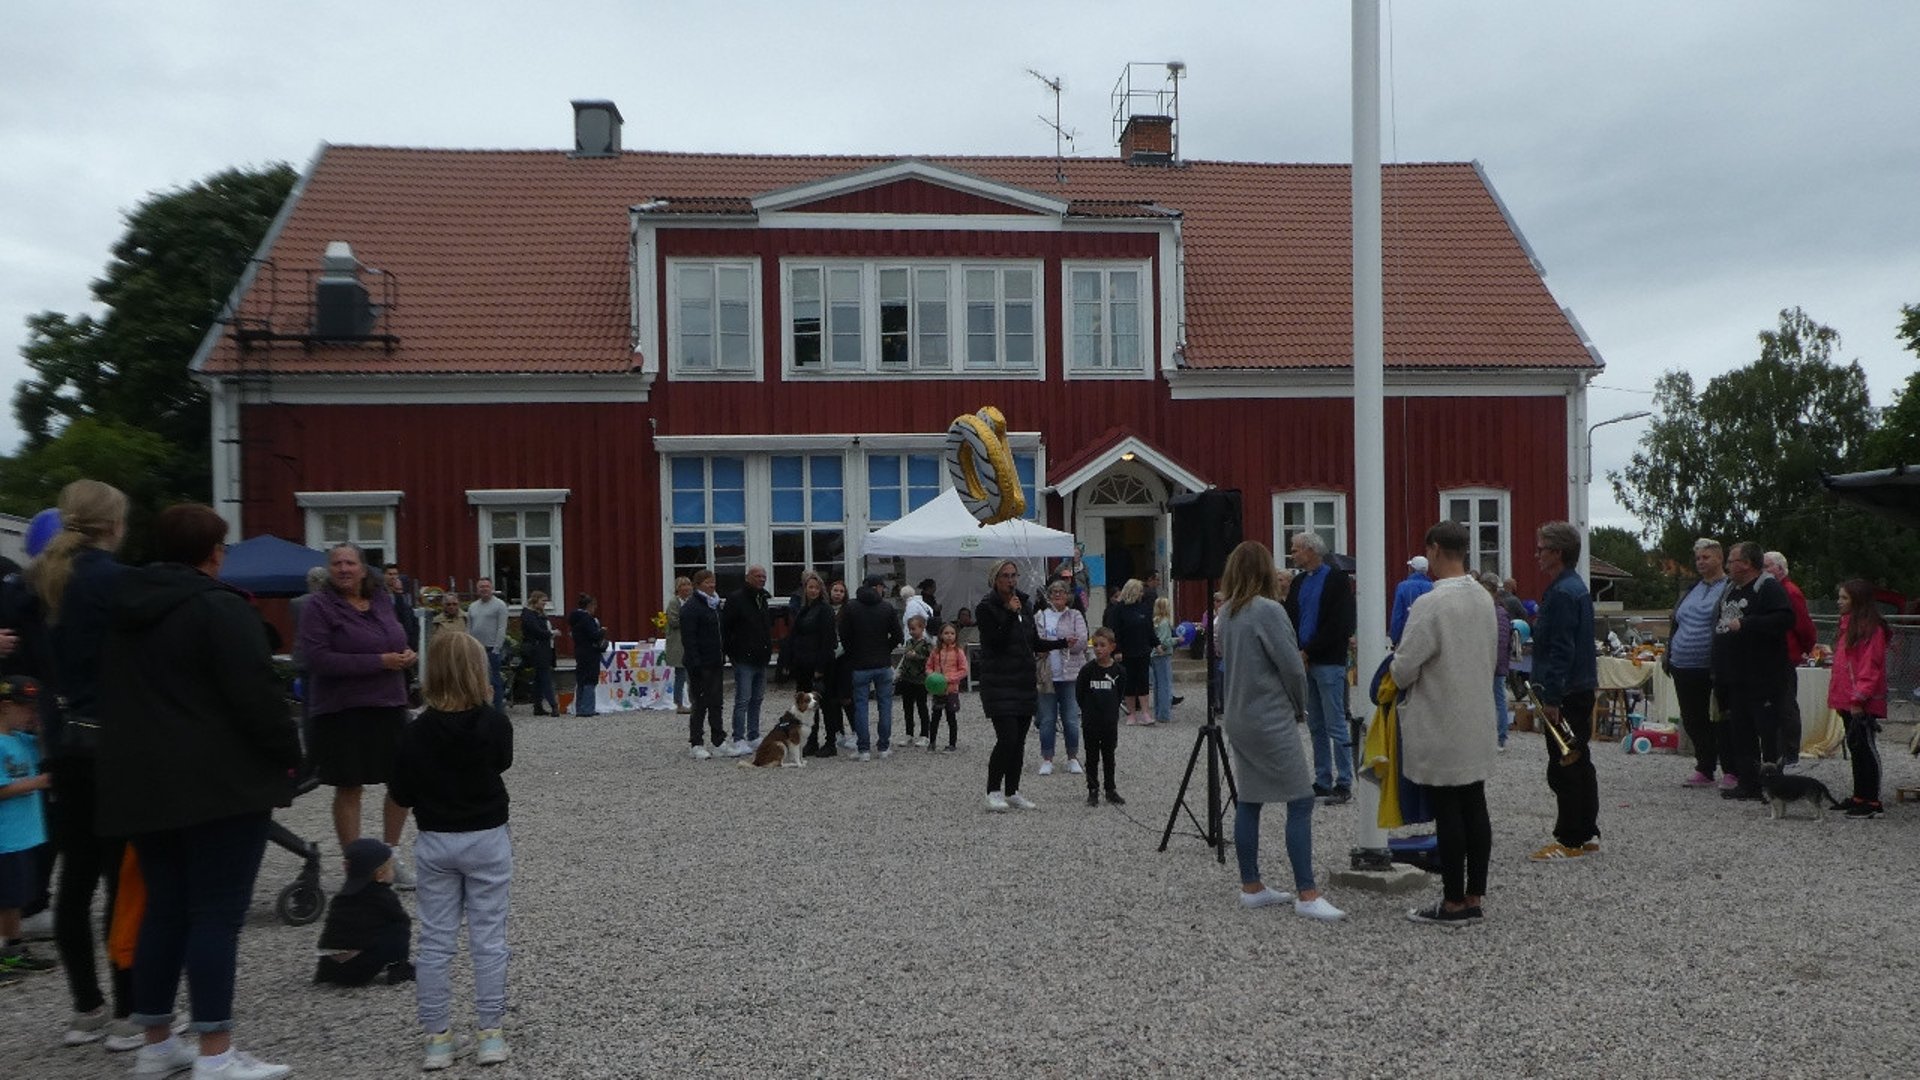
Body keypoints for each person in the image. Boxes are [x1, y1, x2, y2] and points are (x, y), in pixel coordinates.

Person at [97, 502, 301, 1080]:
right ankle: (216, 1051)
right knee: (215, 915)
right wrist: (290, 754)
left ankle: (156, 1041)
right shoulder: (220, 609)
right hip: (217, 784)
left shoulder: (124, 610)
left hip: (142, 782)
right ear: (214, 552)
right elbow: (255, 696)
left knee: (164, 908)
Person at [26, 479, 140, 1046]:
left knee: (75, 881)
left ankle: (86, 1007)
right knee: (123, 879)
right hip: (116, 744)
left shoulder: (44, 579)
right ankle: (127, 1012)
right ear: (112, 525)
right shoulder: (114, 581)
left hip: (66, 738)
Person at [390, 631, 514, 1070]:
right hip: (486, 835)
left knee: (436, 941)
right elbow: (502, 763)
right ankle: (490, 1033)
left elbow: (401, 793)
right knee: (489, 938)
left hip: (436, 838)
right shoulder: (495, 722)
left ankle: (437, 1038)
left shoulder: (413, 732)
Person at [1215, 541, 1344, 921]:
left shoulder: (1228, 613)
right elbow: (1291, 665)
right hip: (1268, 715)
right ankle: (1307, 892)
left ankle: (1251, 884)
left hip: (1238, 715)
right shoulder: (1268, 610)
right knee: (1301, 799)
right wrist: (1299, 705)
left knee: (1251, 799)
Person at [1391, 522, 1499, 925]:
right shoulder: (1484, 599)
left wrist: (1396, 672)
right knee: (1475, 804)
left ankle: (1452, 901)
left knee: (1448, 809)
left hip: (1441, 716)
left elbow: (1405, 666)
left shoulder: (1431, 604)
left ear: (1434, 550)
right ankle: (1474, 895)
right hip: (1477, 713)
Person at [300, 541, 416, 860]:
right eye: (337, 563)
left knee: (402, 782)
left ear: (363, 569)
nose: (343, 569)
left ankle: (389, 856)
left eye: (350, 563)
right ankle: (357, 866)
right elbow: (318, 660)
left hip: (390, 704)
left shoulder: (380, 599)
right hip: (342, 710)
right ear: (329, 570)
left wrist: (406, 655)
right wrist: (379, 662)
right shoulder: (318, 606)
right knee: (350, 786)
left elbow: (396, 637)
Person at [1529, 521, 1601, 860]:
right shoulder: (1576, 587)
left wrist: (1552, 697)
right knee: (1580, 760)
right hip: (1581, 685)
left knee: (1565, 766)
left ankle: (1570, 838)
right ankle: (1587, 831)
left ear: (1557, 552)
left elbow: (1561, 648)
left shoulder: (1560, 592)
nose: (1537, 554)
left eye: (1542, 548)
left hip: (1566, 690)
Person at [976, 560, 1066, 812]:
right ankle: (993, 791)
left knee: (1019, 742)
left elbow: (1033, 642)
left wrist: (1060, 643)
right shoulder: (986, 608)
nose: (1011, 580)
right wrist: (1007, 611)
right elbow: (995, 640)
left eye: (1014, 575)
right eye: (1005, 576)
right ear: (995, 579)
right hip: (998, 681)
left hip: (1023, 681)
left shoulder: (1025, 605)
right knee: (1007, 738)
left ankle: (1012, 790)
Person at [1711, 541, 1793, 801]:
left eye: (1732, 561)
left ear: (1746, 564)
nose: (1728, 566)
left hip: (1764, 676)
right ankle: (1747, 782)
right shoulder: (1730, 590)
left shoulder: (1768, 587)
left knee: (1767, 731)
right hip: (1736, 675)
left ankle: (1773, 784)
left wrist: (1747, 624)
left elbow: (1785, 619)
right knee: (1741, 730)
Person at [1283, 531, 1357, 802]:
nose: (1293, 554)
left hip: (1328, 661)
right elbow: (1290, 618)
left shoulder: (1337, 580)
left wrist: (1309, 650)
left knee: (1336, 723)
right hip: (1306, 660)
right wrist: (1295, 651)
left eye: (1296, 549)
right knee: (1315, 724)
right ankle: (1322, 778)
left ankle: (1345, 781)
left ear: (1311, 550)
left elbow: (1340, 623)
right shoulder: (1300, 581)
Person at [0, 675, 55, 978]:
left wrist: (42, 727)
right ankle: (6, 955)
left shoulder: (22, 739)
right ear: (6, 706)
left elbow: (45, 748)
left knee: (16, 900)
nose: (31, 714)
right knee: (6, 900)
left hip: (24, 837)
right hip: (5, 838)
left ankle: (14, 949)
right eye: (26, 708)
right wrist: (37, 782)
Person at [1667, 539, 1731, 788]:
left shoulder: (1728, 588)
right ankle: (1704, 766)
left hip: (1712, 666)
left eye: (1706, 557)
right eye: (1698, 558)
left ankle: (1731, 769)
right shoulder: (1692, 589)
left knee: (1722, 718)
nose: (1701, 562)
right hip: (1683, 664)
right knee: (1693, 718)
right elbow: (1678, 622)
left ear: (1719, 559)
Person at [313, 838, 414, 988]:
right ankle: (399, 968)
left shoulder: (341, 897)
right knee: (399, 929)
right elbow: (403, 921)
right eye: (391, 868)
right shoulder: (382, 895)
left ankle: (326, 973)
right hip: (358, 971)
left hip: (331, 966)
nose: (393, 873)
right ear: (380, 875)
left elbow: (331, 935)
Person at [1829, 579, 1889, 818]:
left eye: (1844, 598)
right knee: (1856, 747)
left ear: (1857, 600)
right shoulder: (1848, 625)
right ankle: (1859, 795)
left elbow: (1870, 666)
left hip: (1861, 700)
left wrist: (1859, 696)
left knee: (1866, 748)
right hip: (1848, 697)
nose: (1839, 602)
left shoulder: (1871, 628)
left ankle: (1872, 800)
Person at [839, 575, 903, 761]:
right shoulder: (886, 607)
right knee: (885, 705)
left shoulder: (851, 607)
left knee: (861, 706)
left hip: (859, 664)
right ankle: (883, 747)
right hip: (882, 663)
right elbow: (898, 635)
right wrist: (886, 648)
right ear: (877, 587)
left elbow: (844, 635)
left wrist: (853, 652)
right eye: (882, 587)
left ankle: (863, 749)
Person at [1762, 550, 1817, 766]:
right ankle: (1776, 750)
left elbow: (1803, 625)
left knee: (1785, 705)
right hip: (1774, 655)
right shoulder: (1773, 591)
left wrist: (1802, 648)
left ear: (1780, 569)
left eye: (1768, 566)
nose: (1764, 570)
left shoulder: (1790, 592)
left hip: (1785, 654)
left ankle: (1790, 752)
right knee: (1775, 705)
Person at [1035, 580, 1088, 775]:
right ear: (1048, 595)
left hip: (1070, 676)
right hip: (1047, 675)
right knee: (1047, 719)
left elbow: (1081, 641)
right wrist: (1058, 643)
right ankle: (1047, 758)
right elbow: (1036, 642)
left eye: (1061, 591)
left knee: (1071, 719)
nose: (1057, 594)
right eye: (1053, 591)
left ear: (1067, 596)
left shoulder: (1075, 615)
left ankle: (1072, 757)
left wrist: (1066, 644)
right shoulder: (1040, 616)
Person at [783, 573, 837, 755]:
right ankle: (812, 741)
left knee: (826, 704)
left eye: (815, 587)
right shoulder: (804, 609)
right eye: (809, 587)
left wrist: (820, 668)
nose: (812, 590)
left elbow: (828, 641)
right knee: (807, 707)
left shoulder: (825, 610)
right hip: (803, 665)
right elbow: (794, 636)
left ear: (821, 589)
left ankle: (831, 743)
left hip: (820, 665)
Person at [722, 565, 773, 756]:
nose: (761, 579)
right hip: (743, 657)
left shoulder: (763, 599)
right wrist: (732, 653)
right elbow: (726, 628)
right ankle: (738, 738)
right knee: (742, 700)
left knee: (757, 699)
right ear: (748, 577)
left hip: (761, 657)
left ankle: (753, 735)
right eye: (758, 576)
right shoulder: (736, 599)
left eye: (764, 576)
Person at [1075, 628, 1127, 807]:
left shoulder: (1119, 671)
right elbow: (1079, 694)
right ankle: (1092, 789)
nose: (1098, 649)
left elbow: (1120, 693)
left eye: (1102, 645)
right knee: (1091, 756)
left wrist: (1111, 711)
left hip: (1109, 721)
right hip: (1091, 721)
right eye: (1095, 645)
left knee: (1109, 755)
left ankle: (1110, 789)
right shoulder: (1087, 670)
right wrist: (1089, 711)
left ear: (1112, 647)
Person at [678, 575, 728, 757]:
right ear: (698, 585)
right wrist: (696, 662)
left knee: (716, 703)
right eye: (708, 582)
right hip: (699, 664)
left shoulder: (714, 606)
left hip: (715, 661)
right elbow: (689, 639)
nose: (712, 585)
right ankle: (696, 743)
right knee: (699, 704)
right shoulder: (691, 608)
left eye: (713, 581)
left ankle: (718, 740)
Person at [1102, 578, 1157, 727]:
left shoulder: (1145, 608)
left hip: (1143, 649)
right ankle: (1131, 714)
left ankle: (1145, 712)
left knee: (1143, 681)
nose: (1142, 593)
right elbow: (1115, 631)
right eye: (1139, 590)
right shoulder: (1118, 610)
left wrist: (1156, 643)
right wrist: (1117, 649)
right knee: (1129, 682)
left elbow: (1149, 628)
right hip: (1125, 651)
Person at [1477, 573, 1516, 751]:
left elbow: (1501, 643)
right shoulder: (1491, 611)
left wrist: (1493, 664)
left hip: (1493, 664)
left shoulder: (1498, 613)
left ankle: (1500, 737)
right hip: (1487, 662)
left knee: (1498, 700)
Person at [465, 578, 510, 710]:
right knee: (475, 680)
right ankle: (479, 707)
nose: (484, 589)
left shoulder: (500, 605)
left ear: (491, 588)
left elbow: (502, 628)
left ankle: (497, 709)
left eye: (486, 586)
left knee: (494, 680)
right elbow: (468, 627)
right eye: (481, 587)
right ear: (477, 589)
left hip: (492, 649)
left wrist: (497, 648)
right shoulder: (472, 606)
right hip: (475, 649)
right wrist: (468, 646)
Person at [927, 622, 969, 752]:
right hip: (938, 690)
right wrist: (933, 676)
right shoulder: (935, 651)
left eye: (952, 633)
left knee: (951, 717)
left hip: (951, 690)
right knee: (935, 717)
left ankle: (952, 743)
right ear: (940, 635)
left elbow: (964, 670)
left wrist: (949, 679)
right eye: (946, 633)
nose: (949, 636)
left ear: (956, 635)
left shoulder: (958, 652)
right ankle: (932, 742)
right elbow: (928, 666)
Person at [519, 592, 560, 716]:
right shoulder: (528, 614)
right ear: (535, 601)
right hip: (537, 650)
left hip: (544, 649)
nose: (545, 603)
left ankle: (537, 706)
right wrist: (551, 633)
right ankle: (553, 705)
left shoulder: (538, 614)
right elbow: (537, 631)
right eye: (543, 601)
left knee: (538, 678)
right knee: (545, 677)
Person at [896, 615, 934, 747]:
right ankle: (909, 733)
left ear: (922, 628)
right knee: (907, 708)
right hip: (907, 679)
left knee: (921, 707)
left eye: (914, 629)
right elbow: (905, 659)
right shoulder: (908, 642)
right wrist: (900, 670)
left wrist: (916, 656)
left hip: (920, 680)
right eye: (910, 629)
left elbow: (930, 660)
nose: (911, 632)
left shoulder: (927, 644)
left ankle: (924, 735)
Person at [568, 594, 606, 719]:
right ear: (589, 606)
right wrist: (602, 631)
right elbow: (594, 635)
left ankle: (580, 707)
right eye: (594, 606)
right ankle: (587, 708)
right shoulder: (587, 619)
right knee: (590, 679)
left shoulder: (574, 618)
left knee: (581, 679)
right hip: (590, 651)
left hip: (580, 650)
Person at [662, 576, 693, 714]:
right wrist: (690, 620)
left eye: (688, 585)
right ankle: (679, 703)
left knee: (692, 675)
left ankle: (693, 702)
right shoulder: (674, 603)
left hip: (691, 643)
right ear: (678, 588)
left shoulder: (691, 602)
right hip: (678, 644)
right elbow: (674, 622)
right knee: (680, 675)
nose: (687, 588)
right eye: (683, 585)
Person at [1389, 554, 1433, 646]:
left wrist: (1394, 637)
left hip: (1407, 638)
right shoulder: (1433, 587)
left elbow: (1397, 615)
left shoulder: (1403, 586)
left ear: (1412, 569)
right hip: (1428, 639)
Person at [1150, 596, 1177, 725]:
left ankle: (1157, 711)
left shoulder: (1155, 621)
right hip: (1163, 654)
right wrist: (1177, 640)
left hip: (1153, 655)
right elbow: (1165, 642)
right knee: (1165, 684)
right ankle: (1164, 714)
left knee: (1157, 685)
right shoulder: (1165, 622)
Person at [384, 565, 420, 653]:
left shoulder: (405, 596)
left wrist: (413, 645)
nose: (393, 577)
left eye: (395, 574)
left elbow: (410, 620)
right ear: (383, 576)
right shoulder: (380, 596)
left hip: (405, 642)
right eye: (390, 574)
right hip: (387, 642)